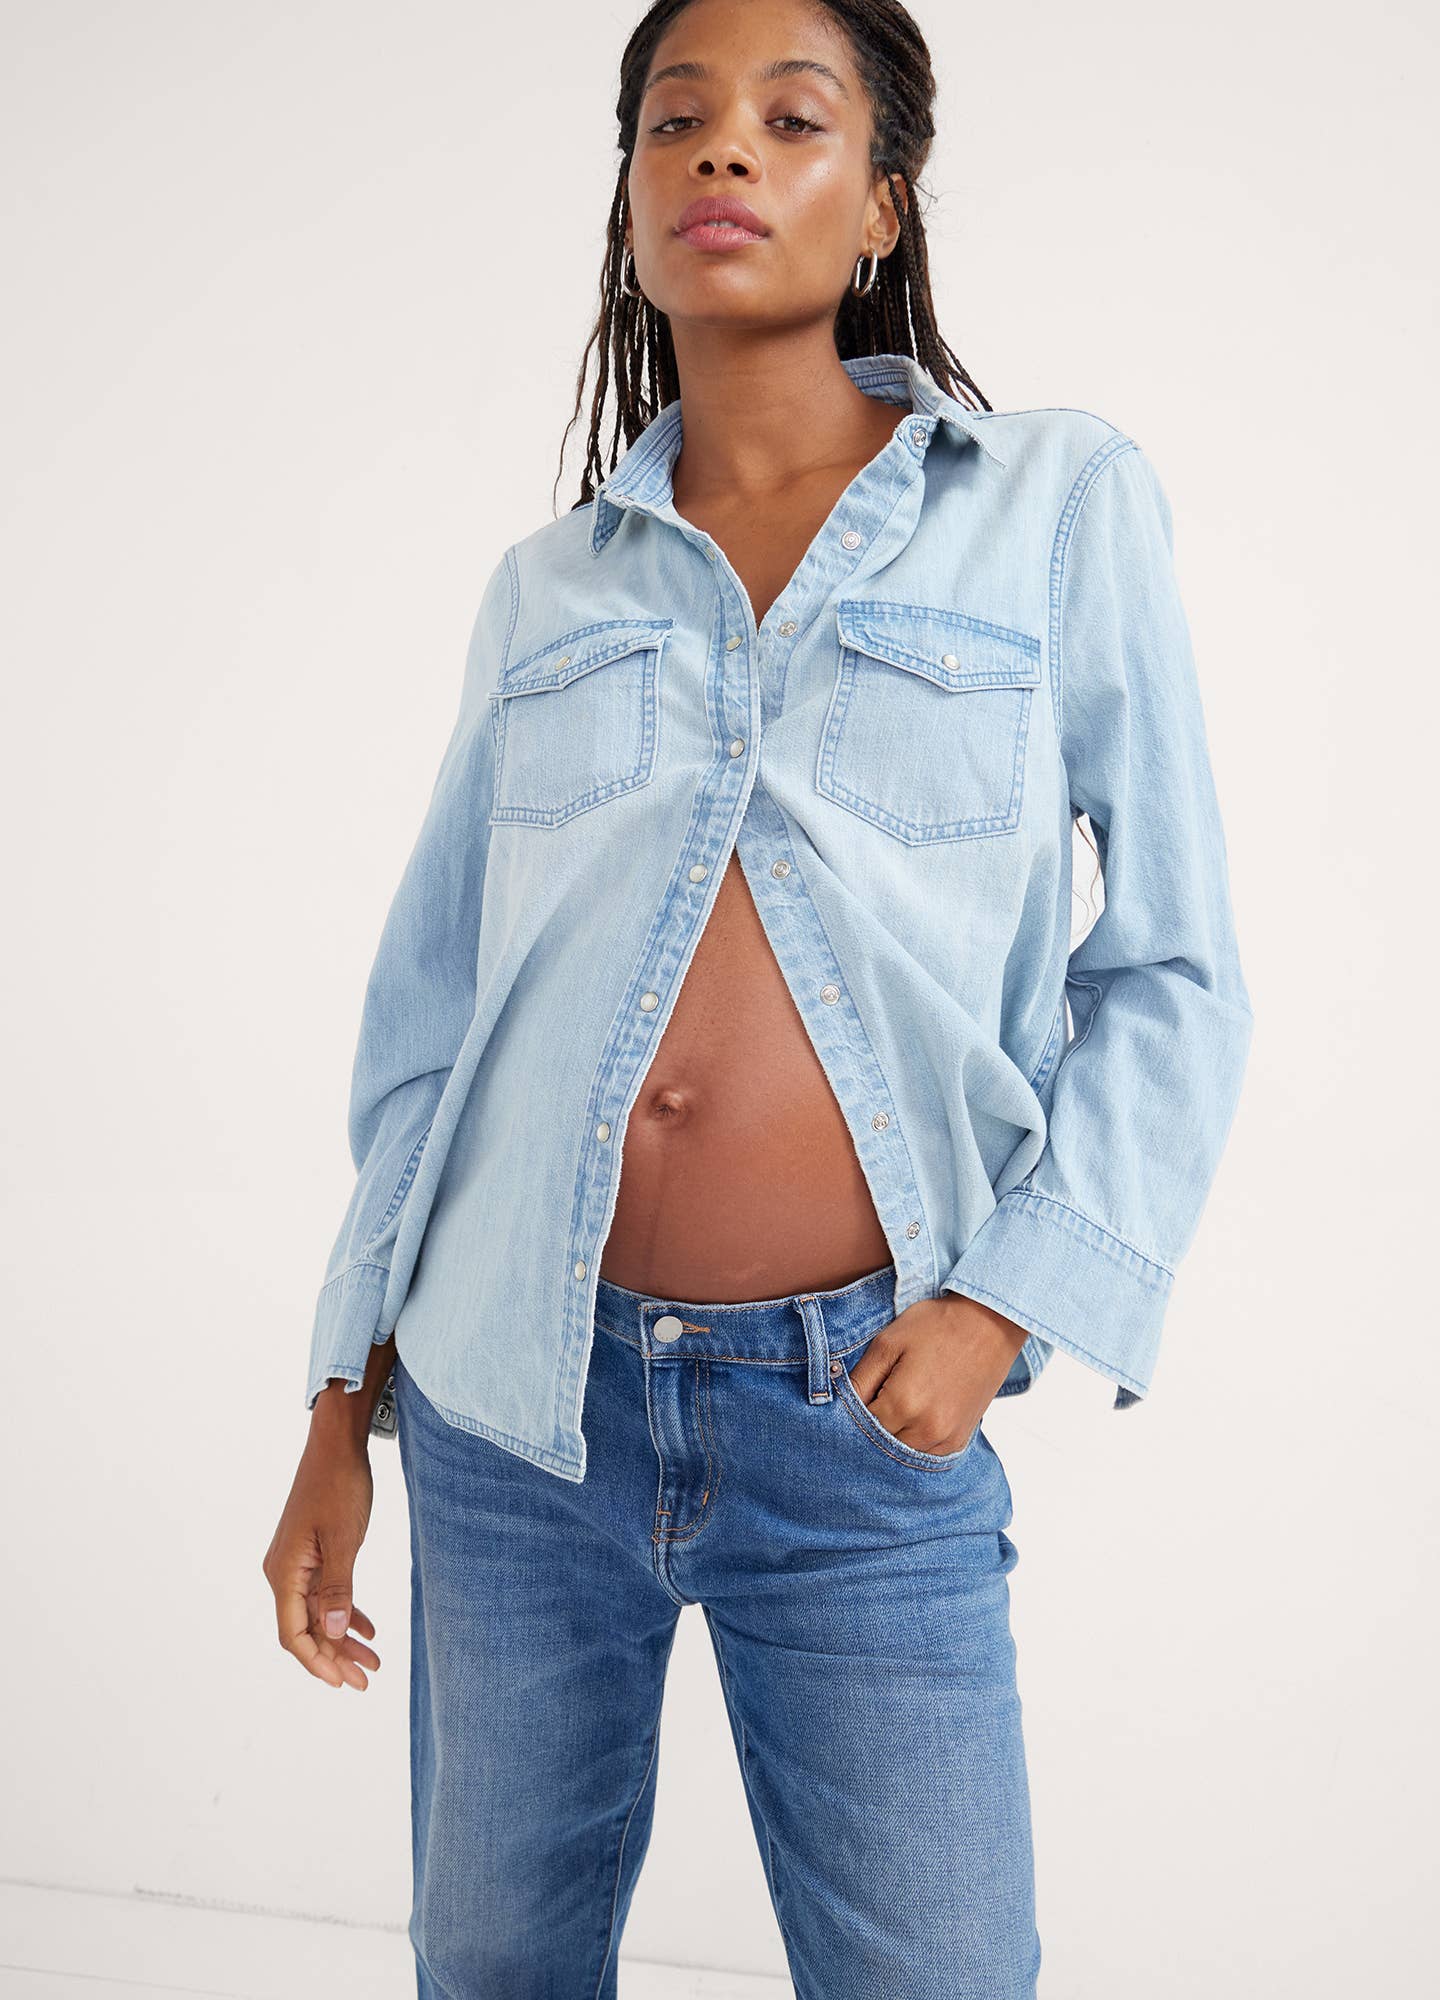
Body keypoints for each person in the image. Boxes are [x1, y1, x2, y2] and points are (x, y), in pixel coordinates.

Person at [263, 1, 1254, 1992]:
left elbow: (1170, 966)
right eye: (675, 120)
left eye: (792, 120)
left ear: (882, 203)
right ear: (631, 197)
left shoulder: (1052, 503)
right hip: (512, 1411)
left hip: (863, 1408)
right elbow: (432, 1033)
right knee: (493, 1967)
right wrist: (337, 1401)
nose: (721, 151)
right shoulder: (551, 587)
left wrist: (1002, 1306)